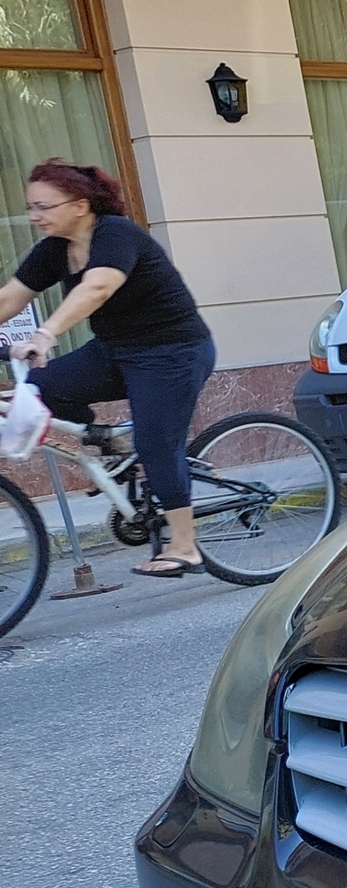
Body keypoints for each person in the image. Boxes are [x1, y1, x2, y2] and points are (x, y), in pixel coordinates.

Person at [0, 160, 218, 576]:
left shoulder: (116, 234)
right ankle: (113, 440)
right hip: (114, 351)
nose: (34, 216)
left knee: (157, 447)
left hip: (172, 352)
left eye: (44, 206)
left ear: (80, 205)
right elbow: (12, 296)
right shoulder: (55, 249)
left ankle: (185, 547)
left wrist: (46, 334)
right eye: (31, 207)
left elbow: (97, 287)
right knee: (38, 390)